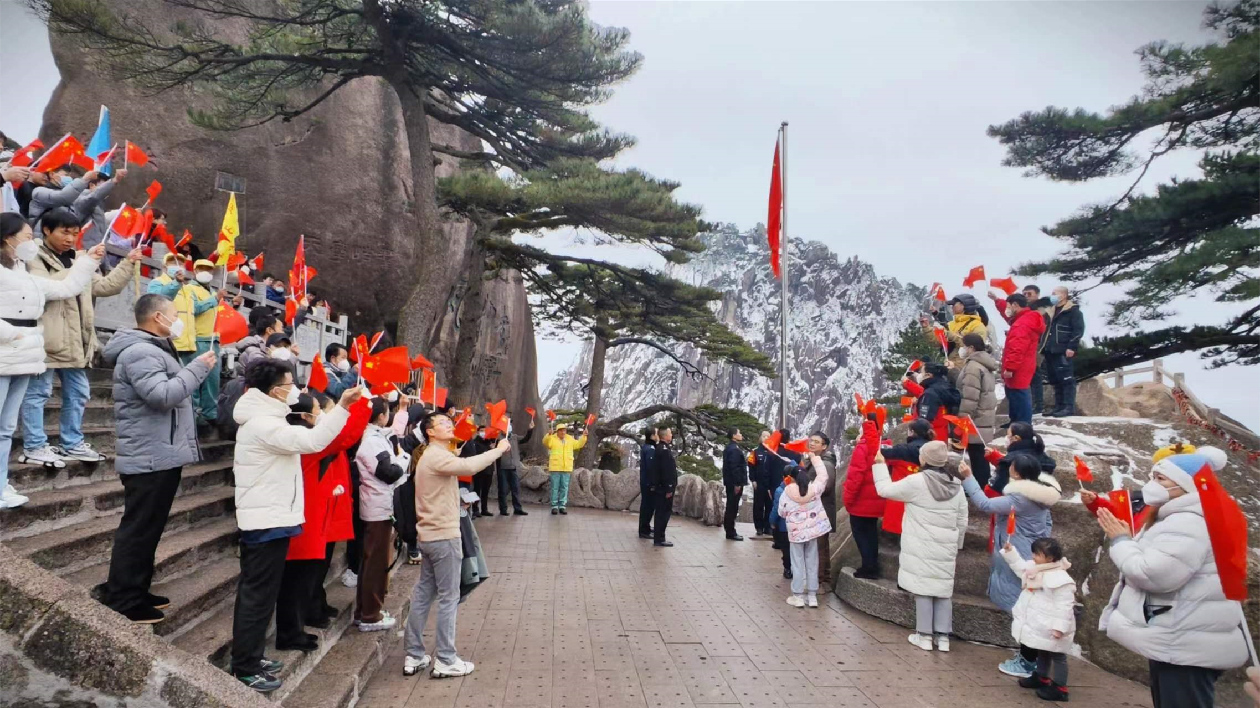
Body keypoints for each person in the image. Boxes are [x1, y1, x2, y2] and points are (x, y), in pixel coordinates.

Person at [229, 359, 358, 692]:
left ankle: (252, 657)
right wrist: (342, 406)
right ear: (275, 391)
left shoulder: (268, 419)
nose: (297, 390)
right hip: (265, 522)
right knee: (256, 597)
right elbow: (314, 442)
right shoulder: (262, 424)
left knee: (263, 595)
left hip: (274, 519)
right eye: (291, 384)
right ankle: (244, 665)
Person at [95, 293, 215, 623]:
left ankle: (135, 588)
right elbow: (161, 397)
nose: (177, 321)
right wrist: (196, 370)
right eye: (173, 314)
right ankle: (122, 597)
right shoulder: (139, 352)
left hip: (160, 452)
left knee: (149, 528)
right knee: (139, 528)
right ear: (156, 318)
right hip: (149, 455)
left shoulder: (153, 349)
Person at [1096, 447, 1247, 708]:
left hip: (1185, 642)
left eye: (1161, 478)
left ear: (1186, 485)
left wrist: (1121, 541)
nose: (1152, 484)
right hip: (1185, 636)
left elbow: (1154, 574)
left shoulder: (1188, 522)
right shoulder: (1193, 516)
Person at [0, 214, 106, 507]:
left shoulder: (24, 273)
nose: (28, 242)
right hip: (8, 352)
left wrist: (88, 262)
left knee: (6, 427)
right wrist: (16, 336)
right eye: (24, 236)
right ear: (7, 238)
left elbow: (64, 288)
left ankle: (1, 486)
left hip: (25, 358)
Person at [19, 207, 137, 468]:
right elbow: (46, 286)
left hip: (77, 340)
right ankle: (34, 446)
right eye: (65, 232)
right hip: (46, 339)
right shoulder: (33, 257)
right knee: (38, 394)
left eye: (75, 233)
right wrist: (84, 264)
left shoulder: (76, 259)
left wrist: (128, 262)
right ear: (47, 230)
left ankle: (71, 442)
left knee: (79, 393)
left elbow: (105, 286)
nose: (71, 239)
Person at [403, 411, 509, 678]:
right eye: (443, 423)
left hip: (429, 535)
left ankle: (414, 655)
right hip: (443, 537)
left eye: (450, 422)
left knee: (423, 595)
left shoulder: (433, 455)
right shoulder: (437, 456)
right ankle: (446, 659)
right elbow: (469, 467)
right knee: (449, 598)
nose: (450, 425)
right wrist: (499, 450)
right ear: (429, 431)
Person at [275, 392, 370, 651]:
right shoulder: (305, 441)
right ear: (304, 416)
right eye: (318, 409)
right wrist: (362, 405)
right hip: (303, 519)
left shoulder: (300, 437)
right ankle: (290, 634)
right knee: (296, 582)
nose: (322, 414)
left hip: (305, 516)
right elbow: (344, 437)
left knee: (301, 580)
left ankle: (294, 630)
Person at [959, 453, 1062, 677]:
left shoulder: (1020, 499)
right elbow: (1047, 524)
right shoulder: (1041, 495)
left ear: (1016, 473)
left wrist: (968, 477)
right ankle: (1030, 659)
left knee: (1023, 611)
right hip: (1030, 555)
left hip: (1017, 558)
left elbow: (985, 504)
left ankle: (1027, 662)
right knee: (1026, 609)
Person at [871, 441, 968, 653]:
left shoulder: (917, 482)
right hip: (946, 545)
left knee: (923, 589)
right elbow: (962, 518)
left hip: (920, 543)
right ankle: (943, 638)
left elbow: (885, 490)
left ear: (924, 459)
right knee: (942, 590)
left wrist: (879, 465)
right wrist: (957, 543)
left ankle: (924, 635)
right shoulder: (956, 485)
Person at [354, 397, 408, 633]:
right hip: (376, 508)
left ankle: (366, 611)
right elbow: (389, 472)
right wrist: (403, 459)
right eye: (388, 411)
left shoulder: (377, 437)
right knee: (375, 563)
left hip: (378, 505)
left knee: (373, 562)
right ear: (381, 415)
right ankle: (370, 615)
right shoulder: (372, 441)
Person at [999, 537, 1076, 702]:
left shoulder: (1061, 579)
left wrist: (1059, 627)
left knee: (1058, 656)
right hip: (1042, 624)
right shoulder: (1036, 569)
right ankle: (1041, 677)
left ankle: (1060, 687)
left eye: (1038, 554)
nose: (1034, 556)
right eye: (1034, 553)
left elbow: (1065, 606)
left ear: (1050, 558)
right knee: (1042, 650)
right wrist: (1010, 552)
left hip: (1054, 626)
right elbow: (1020, 567)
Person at [171, 259, 227, 428]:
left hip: (213, 339)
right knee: (195, 379)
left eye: (209, 269)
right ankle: (193, 415)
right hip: (196, 339)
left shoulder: (213, 291)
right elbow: (193, 309)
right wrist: (215, 300)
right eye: (202, 269)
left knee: (212, 381)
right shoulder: (188, 289)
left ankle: (210, 414)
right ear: (194, 271)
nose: (206, 272)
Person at [779, 455, 831, 608]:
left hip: (796, 534)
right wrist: (815, 459)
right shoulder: (814, 489)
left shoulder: (787, 492)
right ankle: (812, 596)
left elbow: (782, 512)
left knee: (797, 563)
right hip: (812, 533)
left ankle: (798, 595)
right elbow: (823, 476)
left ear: (792, 478)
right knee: (812, 562)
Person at [955, 332, 999, 488]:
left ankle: (980, 489)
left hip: (976, 419)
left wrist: (963, 419)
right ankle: (983, 487)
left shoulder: (973, 366)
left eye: (964, 346)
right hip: (984, 417)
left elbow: (970, 396)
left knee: (977, 457)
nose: (962, 349)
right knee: (980, 456)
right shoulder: (983, 364)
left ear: (971, 348)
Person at [843, 414, 884, 579]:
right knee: (872, 534)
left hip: (861, 502)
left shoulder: (863, 446)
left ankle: (868, 567)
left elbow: (855, 476)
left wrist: (848, 499)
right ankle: (872, 565)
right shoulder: (885, 444)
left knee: (861, 535)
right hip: (878, 500)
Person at [879, 418, 931, 534]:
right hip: (926, 500)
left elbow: (880, 453)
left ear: (912, 432)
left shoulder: (903, 450)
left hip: (902, 498)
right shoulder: (933, 450)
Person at [1001, 293, 1046, 425]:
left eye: (1008, 306)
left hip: (1019, 365)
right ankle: (1015, 421)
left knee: (1019, 393)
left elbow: (1017, 347)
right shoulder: (1025, 319)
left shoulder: (1022, 324)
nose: (1007, 309)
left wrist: (1010, 367)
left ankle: (1023, 423)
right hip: (1024, 363)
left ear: (1015, 305)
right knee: (1013, 393)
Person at [1043, 286, 1085, 417]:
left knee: (1066, 378)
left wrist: (1072, 346)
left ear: (1064, 295)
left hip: (1063, 349)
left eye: (1055, 293)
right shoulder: (1050, 311)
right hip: (1049, 349)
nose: (1052, 296)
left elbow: (1078, 330)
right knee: (1054, 379)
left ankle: (1068, 406)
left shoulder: (1073, 311)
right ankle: (1058, 406)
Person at [988, 422, 1056, 494]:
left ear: (1016, 438)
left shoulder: (1009, 461)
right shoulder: (1044, 457)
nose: (1006, 438)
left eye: (1008, 435)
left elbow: (996, 489)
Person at [807, 431, 838, 589]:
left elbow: (826, 486)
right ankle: (824, 579)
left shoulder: (825, 464)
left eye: (816, 442)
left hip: (820, 510)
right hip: (818, 510)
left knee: (818, 547)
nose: (812, 443)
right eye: (811, 440)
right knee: (821, 546)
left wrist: (805, 488)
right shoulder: (815, 460)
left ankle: (819, 582)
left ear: (824, 446)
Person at [71, 167, 125, 249]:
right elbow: (94, 197)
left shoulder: (99, 207)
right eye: (104, 186)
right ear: (92, 185)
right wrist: (114, 181)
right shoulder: (82, 201)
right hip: (83, 251)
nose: (106, 192)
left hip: (97, 252)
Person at [542, 422, 586, 515]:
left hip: (566, 467)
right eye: (561, 430)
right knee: (555, 487)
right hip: (555, 467)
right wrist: (548, 434)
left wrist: (584, 436)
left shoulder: (569, 439)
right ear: (557, 431)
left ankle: (562, 506)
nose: (563, 432)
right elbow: (545, 442)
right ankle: (554, 506)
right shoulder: (552, 438)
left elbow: (578, 445)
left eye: (564, 430)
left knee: (564, 487)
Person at [496, 415, 533, 516]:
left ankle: (517, 508)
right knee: (503, 489)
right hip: (503, 467)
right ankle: (503, 509)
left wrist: (530, 430)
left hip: (513, 467)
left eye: (510, 424)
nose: (509, 426)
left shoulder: (514, 437)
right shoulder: (498, 438)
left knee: (515, 488)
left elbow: (525, 439)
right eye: (507, 424)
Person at [915, 362, 960, 443]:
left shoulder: (930, 394)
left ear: (928, 375)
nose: (919, 375)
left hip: (931, 438)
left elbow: (924, 421)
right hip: (942, 435)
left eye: (921, 372)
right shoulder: (944, 389)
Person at [652, 427, 678, 547]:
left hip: (661, 487)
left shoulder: (661, 448)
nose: (671, 435)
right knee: (663, 513)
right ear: (664, 436)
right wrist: (669, 487)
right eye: (670, 433)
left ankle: (659, 537)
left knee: (661, 512)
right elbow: (666, 471)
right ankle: (659, 538)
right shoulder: (663, 450)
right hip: (664, 488)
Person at [721, 428, 747, 541]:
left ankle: (730, 530)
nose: (741, 435)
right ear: (734, 436)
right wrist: (737, 483)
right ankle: (731, 531)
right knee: (732, 507)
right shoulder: (734, 450)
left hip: (730, 482)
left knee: (731, 506)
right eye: (739, 433)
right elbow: (735, 468)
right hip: (734, 483)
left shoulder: (729, 448)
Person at [750, 430, 775, 536]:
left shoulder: (773, 451)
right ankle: (759, 527)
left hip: (770, 484)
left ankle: (767, 527)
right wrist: (753, 480)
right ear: (760, 437)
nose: (766, 438)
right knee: (758, 506)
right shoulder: (755, 452)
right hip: (759, 483)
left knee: (769, 506)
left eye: (768, 436)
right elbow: (751, 466)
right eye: (764, 436)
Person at [768, 473, 791, 579]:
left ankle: (787, 569)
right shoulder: (801, 488)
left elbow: (777, 508)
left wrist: (772, 521)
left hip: (783, 526)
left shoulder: (780, 491)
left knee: (786, 549)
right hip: (795, 526)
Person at [638, 428, 658, 539]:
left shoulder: (647, 447)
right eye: (656, 433)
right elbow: (651, 468)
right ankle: (644, 530)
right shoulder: (650, 449)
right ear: (652, 436)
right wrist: (653, 483)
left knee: (648, 506)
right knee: (648, 507)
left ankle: (646, 527)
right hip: (648, 483)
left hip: (646, 481)